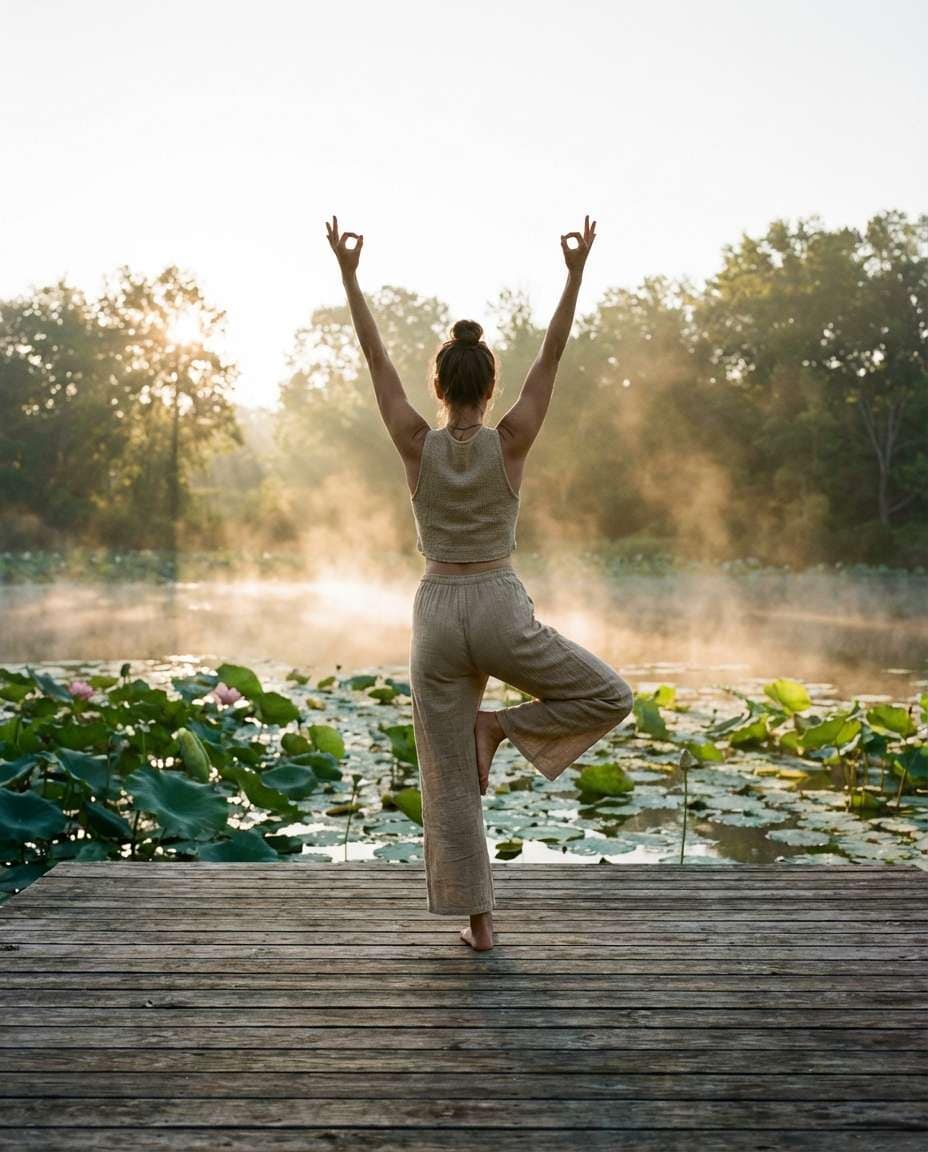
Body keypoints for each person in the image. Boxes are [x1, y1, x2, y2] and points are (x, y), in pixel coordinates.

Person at [326, 213, 634, 952]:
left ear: (438, 386)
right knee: (607, 694)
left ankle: (481, 926)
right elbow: (552, 358)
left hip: (436, 611)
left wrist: (349, 275)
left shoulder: (414, 443)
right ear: (491, 385)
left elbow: (376, 365)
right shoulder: (513, 441)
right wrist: (574, 274)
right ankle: (501, 728)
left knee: (447, 780)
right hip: (498, 601)